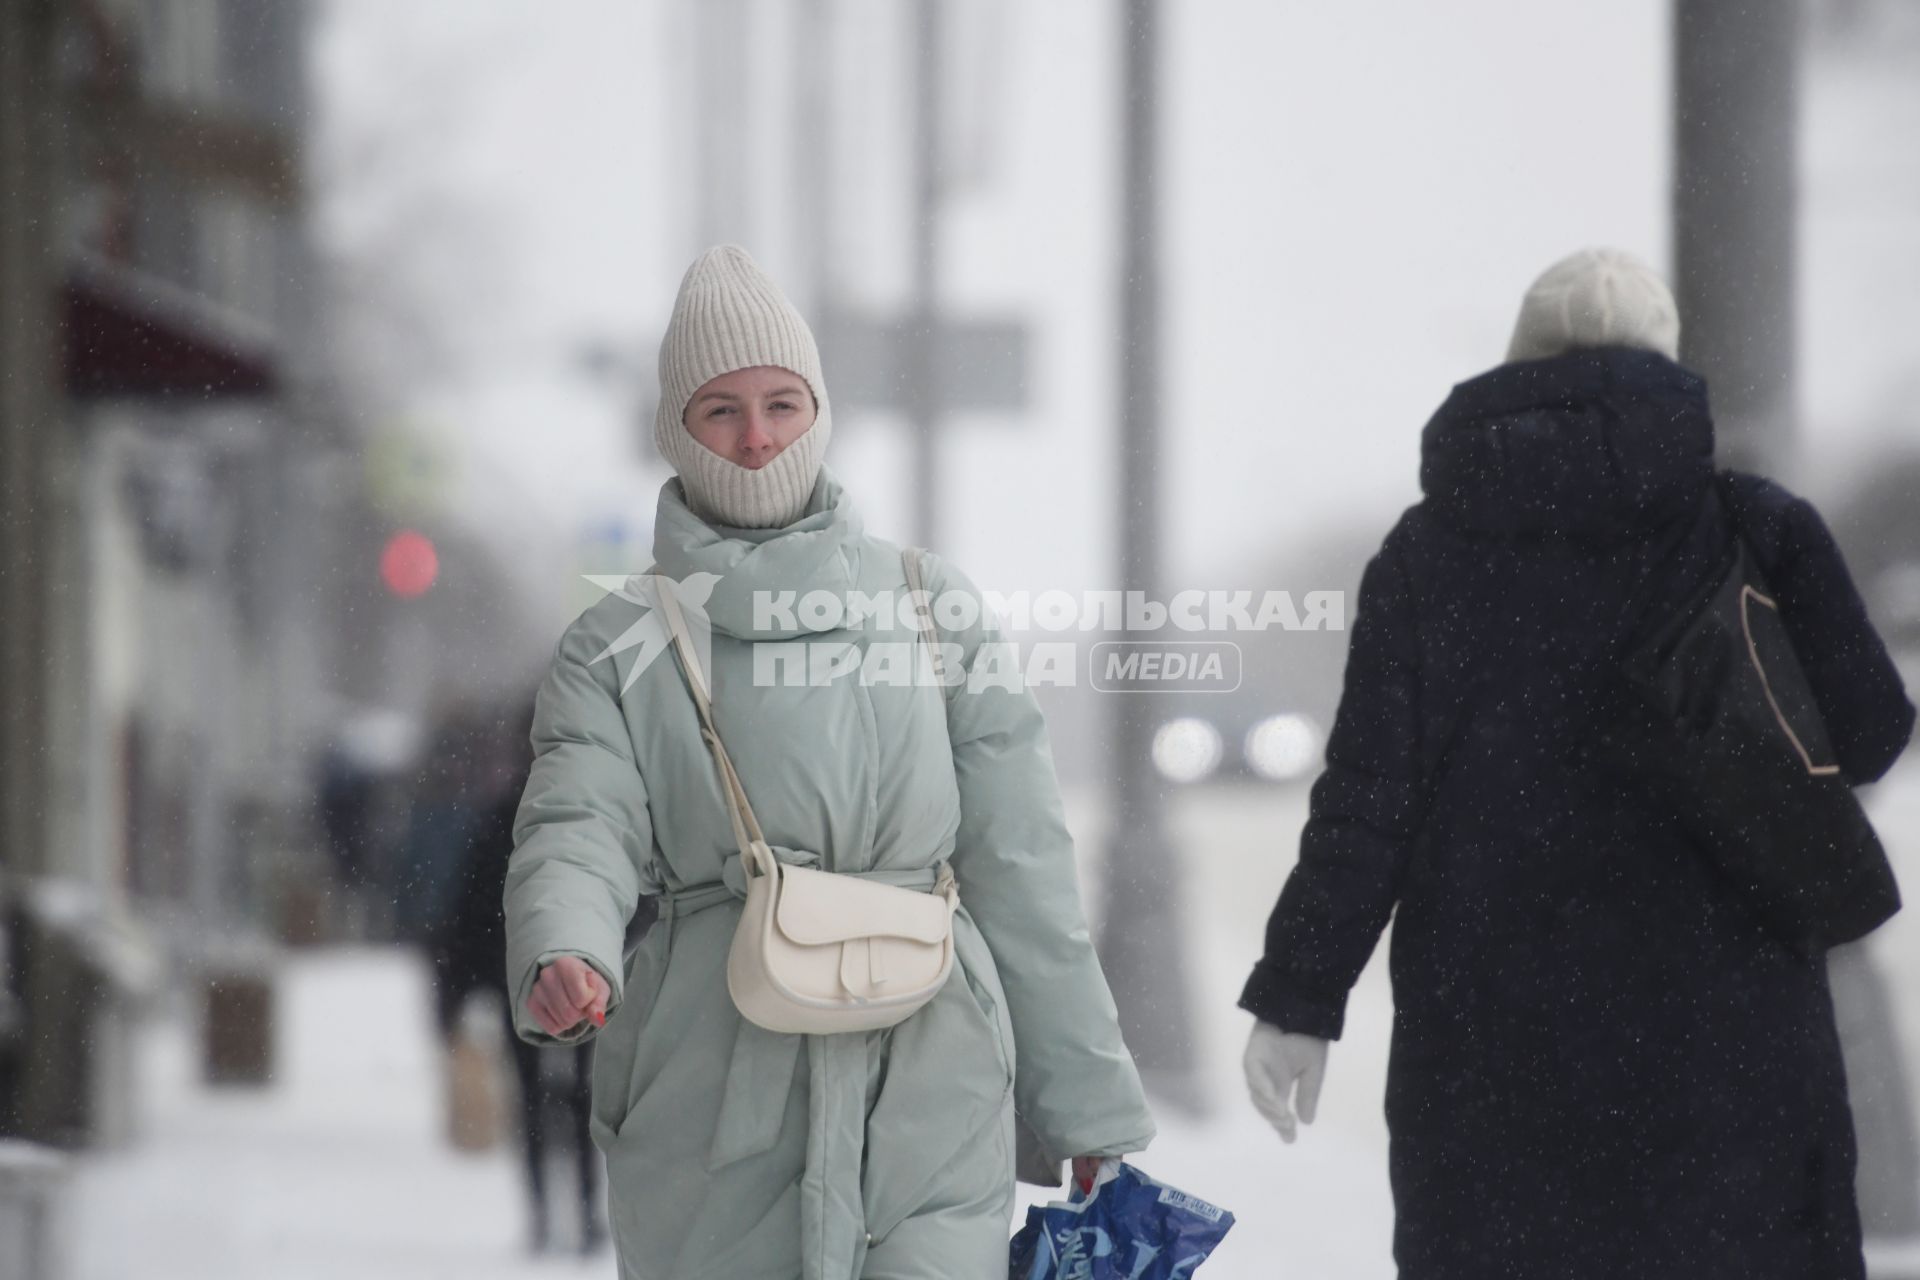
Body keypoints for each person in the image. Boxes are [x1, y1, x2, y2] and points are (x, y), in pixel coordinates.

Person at [1238, 248, 1916, 1279]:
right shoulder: (1758, 526)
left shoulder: (1425, 558)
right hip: (1729, 1047)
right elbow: (1870, 731)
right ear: (1667, 364)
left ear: (1516, 363)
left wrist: (1298, 996)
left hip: (1495, 1054)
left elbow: (1365, 806)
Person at [503, 244, 1155, 1280]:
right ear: (676, 428)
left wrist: (1083, 1100)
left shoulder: (932, 605)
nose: (756, 439)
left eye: (781, 403)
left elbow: (1020, 861)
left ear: (820, 412)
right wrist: (564, 942)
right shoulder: (619, 640)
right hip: (710, 1084)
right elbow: (578, 818)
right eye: (720, 410)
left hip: (930, 1073)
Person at [431, 695, 604, 1256]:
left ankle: (544, 1216)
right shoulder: (588, 817)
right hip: (584, 977)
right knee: (580, 1098)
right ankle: (580, 1214)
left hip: (522, 978)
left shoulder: (502, 817)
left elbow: (468, 919)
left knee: (536, 1099)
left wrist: (455, 998)